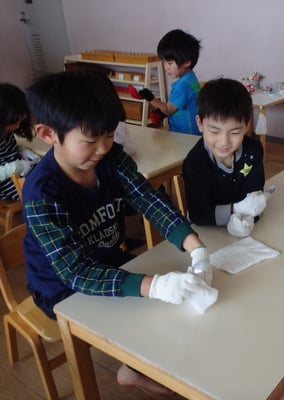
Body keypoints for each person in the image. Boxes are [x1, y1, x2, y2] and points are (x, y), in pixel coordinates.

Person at [23, 70, 213, 395]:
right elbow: (74, 272)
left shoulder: (111, 158)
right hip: (60, 289)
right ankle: (132, 368)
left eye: (109, 135)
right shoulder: (42, 193)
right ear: (48, 133)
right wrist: (153, 286)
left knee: (171, 306)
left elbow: (147, 198)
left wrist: (193, 243)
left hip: (109, 261)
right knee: (148, 305)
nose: (102, 148)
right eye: (90, 140)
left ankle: (136, 366)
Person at [182, 78, 266, 227]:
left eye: (234, 132)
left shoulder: (253, 151)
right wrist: (239, 209)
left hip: (246, 227)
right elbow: (199, 214)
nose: (224, 142)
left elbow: (255, 201)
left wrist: (248, 210)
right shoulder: (194, 163)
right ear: (200, 124)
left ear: (246, 126)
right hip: (206, 231)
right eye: (214, 131)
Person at [132, 28, 201, 135]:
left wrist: (150, 97)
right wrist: (161, 112)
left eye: (169, 63)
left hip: (185, 135)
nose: (165, 67)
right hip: (194, 132)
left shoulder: (182, 86)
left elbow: (168, 110)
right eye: (163, 62)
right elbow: (180, 105)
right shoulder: (191, 78)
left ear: (187, 62)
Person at [0, 83, 40, 200]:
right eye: (14, 122)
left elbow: (7, 150)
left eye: (20, 121)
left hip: (22, 173)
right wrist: (15, 167)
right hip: (7, 184)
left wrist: (22, 150)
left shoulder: (5, 132)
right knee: (42, 190)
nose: (17, 126)